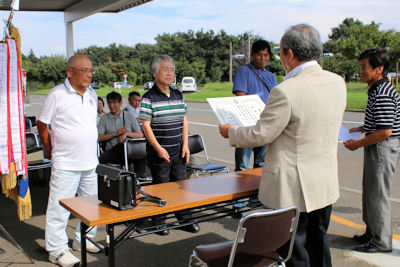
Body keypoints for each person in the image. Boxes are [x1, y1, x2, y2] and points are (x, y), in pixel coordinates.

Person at [219, 24, 346, 267]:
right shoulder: (337, 82)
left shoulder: (286, 91)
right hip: (325, 182)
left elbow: (261, 134)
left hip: (294, 188)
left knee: (295, 251)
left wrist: (230, 131)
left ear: (289, 54)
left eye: (279, 52)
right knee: (319, 244)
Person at [37, 54, 101, 267]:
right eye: (84, 70)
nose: (89, 75)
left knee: (91, 205)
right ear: (70, 72)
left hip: (90, 161)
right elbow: (42, 124)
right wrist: (50, 149)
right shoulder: (57, 94)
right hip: (66, 163)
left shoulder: (92, 94)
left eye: (91, 70)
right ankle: (56, 249)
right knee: (59, 207)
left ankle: (85, 239)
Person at [344, 48, 400, 253]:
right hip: (377, 146)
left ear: (379, 69)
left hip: (382, 148)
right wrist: (358, 129)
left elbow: (385, 131)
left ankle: (381, 241)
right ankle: (372, 233)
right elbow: (379, 123)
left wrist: (357, 143)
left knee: (377, 194)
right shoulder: (378, 88)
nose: (361, 71)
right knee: (370, 192)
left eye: (365, 67)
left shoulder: (383, 92)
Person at [139, 54, 200, 236]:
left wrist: (186, 145)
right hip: (159, 153)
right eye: (165, 69)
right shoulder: (148, 98)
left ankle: (185, 220)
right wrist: (158, 148)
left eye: (172, 69)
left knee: (181, 186)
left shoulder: (178, 94)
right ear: (154, 73)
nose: (170, 73)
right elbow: (145, 125)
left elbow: (184, 120)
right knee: (161, 187)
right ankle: (159, 223)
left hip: (179, 150)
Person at [232, 40, 278, 171]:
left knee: (261, 165)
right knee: (242, 166)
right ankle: (242, 191)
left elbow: (275, 100)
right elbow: (240, 97)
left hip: (263, 124)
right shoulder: (243, 71)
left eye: (266, 55)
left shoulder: (271, 77)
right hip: (246, 125)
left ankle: (258, 192)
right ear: (252, 54)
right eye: (259, 54)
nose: (263, 58)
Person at [98, 91, 144, 173]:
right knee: (99, 161)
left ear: (121, 103)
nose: (112, 106)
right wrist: (115, 134)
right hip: (112, 151)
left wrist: (126, 134)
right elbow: (98, 138)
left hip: (129, 151)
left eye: (114, 103)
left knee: (142, 149)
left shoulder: (129, 116)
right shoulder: (104, 118)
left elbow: (140, 134)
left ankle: (140, 177)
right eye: (109, 103)